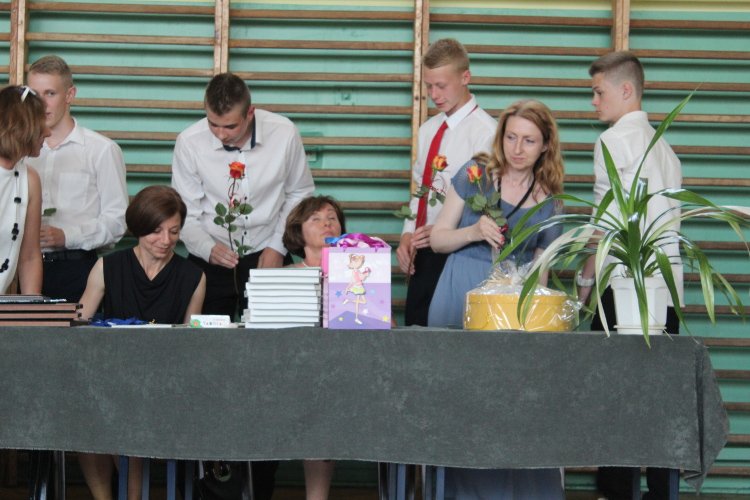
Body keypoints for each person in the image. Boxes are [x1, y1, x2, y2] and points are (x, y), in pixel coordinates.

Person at [171, 72, 314, 500]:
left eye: (229, 126)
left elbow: (300, 194)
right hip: (210, 257)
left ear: (250, 113)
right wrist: (207, 248)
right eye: (212, 124)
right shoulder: (189, 141)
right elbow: (185, 210)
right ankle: (210, 481)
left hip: (269, 255)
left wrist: (276, 247)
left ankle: (262, 483)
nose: (220, 134)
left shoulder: (284, 133)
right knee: (206, 368)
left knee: (272, 371)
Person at [428, 99, 565, 499]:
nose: (517, 148)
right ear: (500, 136)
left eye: (529, 140)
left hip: (511, 305)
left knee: (508, 405)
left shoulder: (550, 201)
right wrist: (473, 232)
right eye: (511, 137)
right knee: (455, 402)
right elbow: (437, 240)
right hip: (459, 290)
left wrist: (532, 323)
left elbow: (541, 274)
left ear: (546, 145)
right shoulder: (475, 175)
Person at [581, 51, 683, 500]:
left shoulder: (611, 141)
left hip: (622, 289)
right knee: (660, 403)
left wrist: (586, 281)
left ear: (626, 90)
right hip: (666, 291)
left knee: (614, 402)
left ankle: (617, 492)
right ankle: (663, 492)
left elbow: (605, 223)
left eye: (598, 92)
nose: (593, 102)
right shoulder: (666, 150)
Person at [76, 185, 205, 500]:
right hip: (109, 371)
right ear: (138, 228)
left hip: (163, 378)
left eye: (174, 231)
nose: (165, 240)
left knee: (129, 409)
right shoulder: (108, 266)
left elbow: (191, 342)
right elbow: (79, 324)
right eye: (156, 231)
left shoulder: (193, 276)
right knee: (84, 408)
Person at [396, 38, 496, 326]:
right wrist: (407, 233)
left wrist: (443, 231)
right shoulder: (428, 129)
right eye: (429, 87)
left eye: (441, 86)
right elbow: (422, 187)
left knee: (448, 336)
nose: (434, 95)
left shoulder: (487, 133)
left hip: (460, 254)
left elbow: (488, 204)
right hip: (422, 252)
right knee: (415, 329)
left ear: (465, 77)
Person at [25, 55, 128, 303]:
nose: (41, 104)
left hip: (77, 269)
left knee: (77, 330)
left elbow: (117, 221)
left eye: (50, 93)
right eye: (35, 95)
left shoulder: (102, 150)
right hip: (21, 267)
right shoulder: (19, 152)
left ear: (70, 94)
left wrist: (67, 236)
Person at [282, 195, 346, 500]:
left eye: (332, 218)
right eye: (316, 219)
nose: (327, 224)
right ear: (298, 230)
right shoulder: (283, 278)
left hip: (343, 371)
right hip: (293, 374)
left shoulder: (359, 274)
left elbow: (386, 327)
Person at [0, 85, 47, 294]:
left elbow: (29, 256)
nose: (48, 132)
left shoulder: (30, 179)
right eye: (41, 123)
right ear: (21, 127)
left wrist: (32, 308)